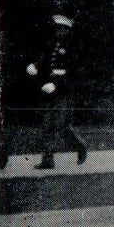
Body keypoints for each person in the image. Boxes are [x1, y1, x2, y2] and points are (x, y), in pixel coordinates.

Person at [28, 14, 88, 169]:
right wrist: (34, 66)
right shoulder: (52, 44)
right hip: (49, 89)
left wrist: (58, 84)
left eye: (61, 28)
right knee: (47, 123)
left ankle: (80, 146)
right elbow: (44, 60)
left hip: (64, 91)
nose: (57, 31)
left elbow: (75, 72)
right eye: (56, 28)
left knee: (61, 125)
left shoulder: (73, 48)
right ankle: (48, 159)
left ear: (67, 30)